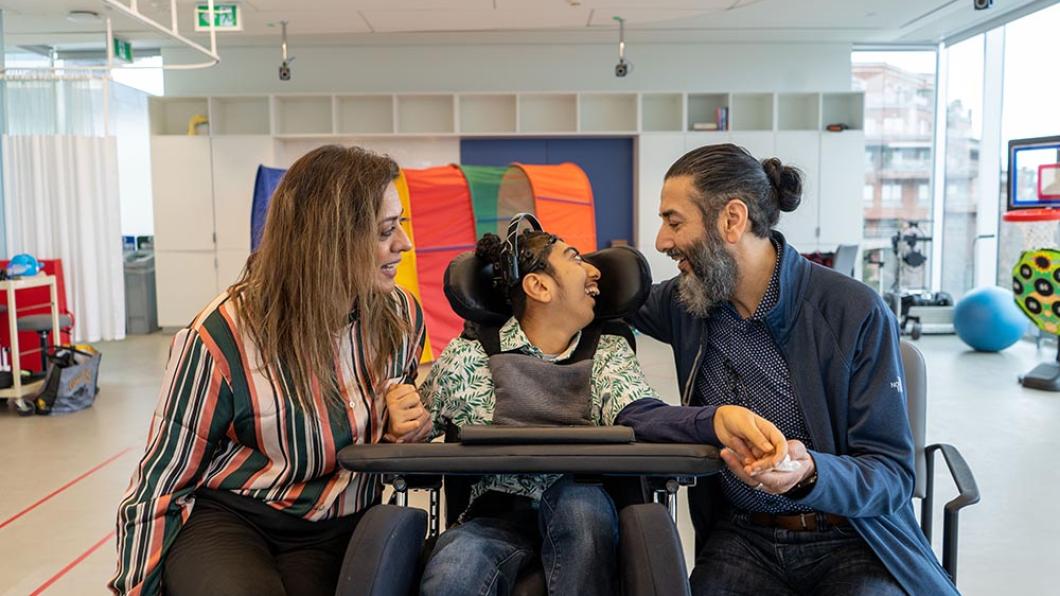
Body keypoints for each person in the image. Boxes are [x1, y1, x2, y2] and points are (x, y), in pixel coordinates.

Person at [615, 143, 958, 595]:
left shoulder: (853, 311)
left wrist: (809, 472)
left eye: (674, 222)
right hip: (743, 538)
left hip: (853, 537)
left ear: (732, 220)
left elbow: (892, 476)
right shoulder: (688, 301)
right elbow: (594, 298)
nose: (661, 241)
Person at [109, 145, 432, 596]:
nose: (404, 244)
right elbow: (160, 481)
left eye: (401, 225)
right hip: (236, 519)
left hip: (339, 525)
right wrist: (135, 588)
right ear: (330, 238)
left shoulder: (401, 317)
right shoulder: (223, 333)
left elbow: (401, 428)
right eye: (384, 231)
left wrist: (410, 428)